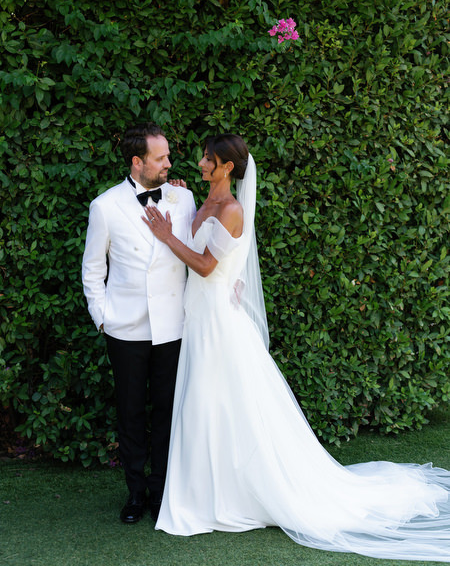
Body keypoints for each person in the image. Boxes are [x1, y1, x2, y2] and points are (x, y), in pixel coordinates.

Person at [141, 133, 450, 561]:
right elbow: (200, 238)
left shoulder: (231, 210)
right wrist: (176, 203)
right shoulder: (202, 202)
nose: (199, 163)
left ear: (228, 167)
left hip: (217, 324)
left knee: (215, 403)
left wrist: (164, 235)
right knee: (206, 406)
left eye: (208, 159)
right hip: (198, 319)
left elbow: (207, 266)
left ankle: (234, 495)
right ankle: (208, 493)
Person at [82, 123, 196, 524]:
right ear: (137, 161)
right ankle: (134, 493)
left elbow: (198, 252)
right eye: (161, 157)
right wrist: (103, 320)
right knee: (130, 412)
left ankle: (162, 490)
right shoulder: (105, 206)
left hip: (172, 327)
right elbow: (93, 270)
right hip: (125, 329)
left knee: (167, 410)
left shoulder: (183, 198)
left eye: (167, 156)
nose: (169, 162)